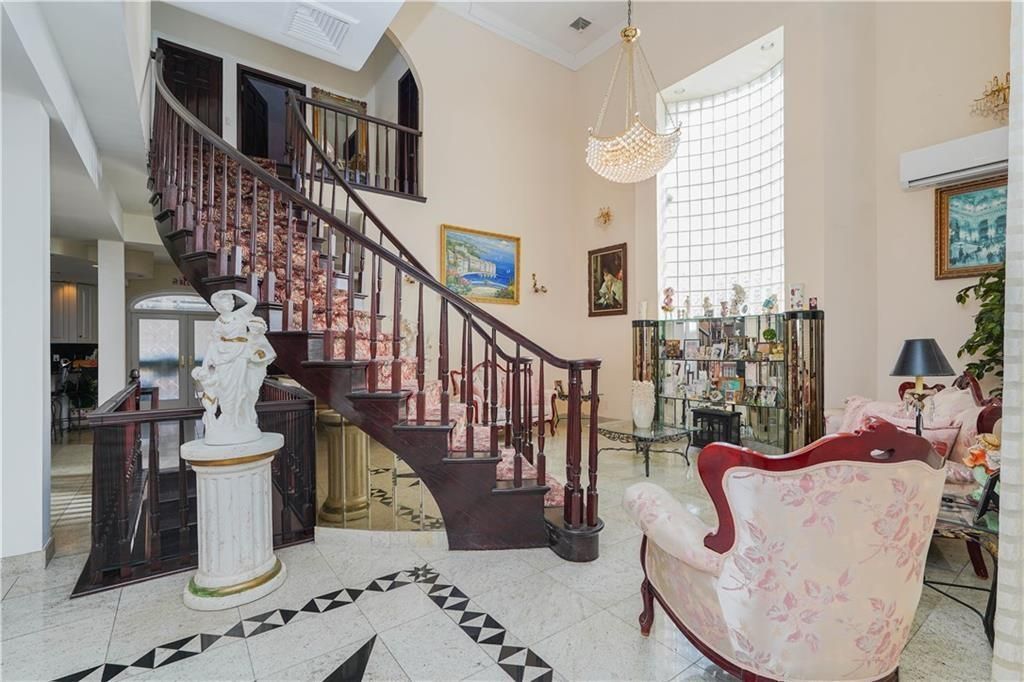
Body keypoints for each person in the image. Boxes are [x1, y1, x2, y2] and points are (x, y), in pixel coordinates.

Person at [192, 290, 276, 444]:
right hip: (222, 356)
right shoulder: (218, 322)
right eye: (226, 301)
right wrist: (205, 365)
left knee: (238, 388)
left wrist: (234, 291)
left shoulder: (240, 314)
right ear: (218, 306)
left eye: (232, 300)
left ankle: (237, 420)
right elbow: (213, 342)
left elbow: (252, 302)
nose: (231, 302)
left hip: (240, 354)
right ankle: (227, 418)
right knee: (224, 388)